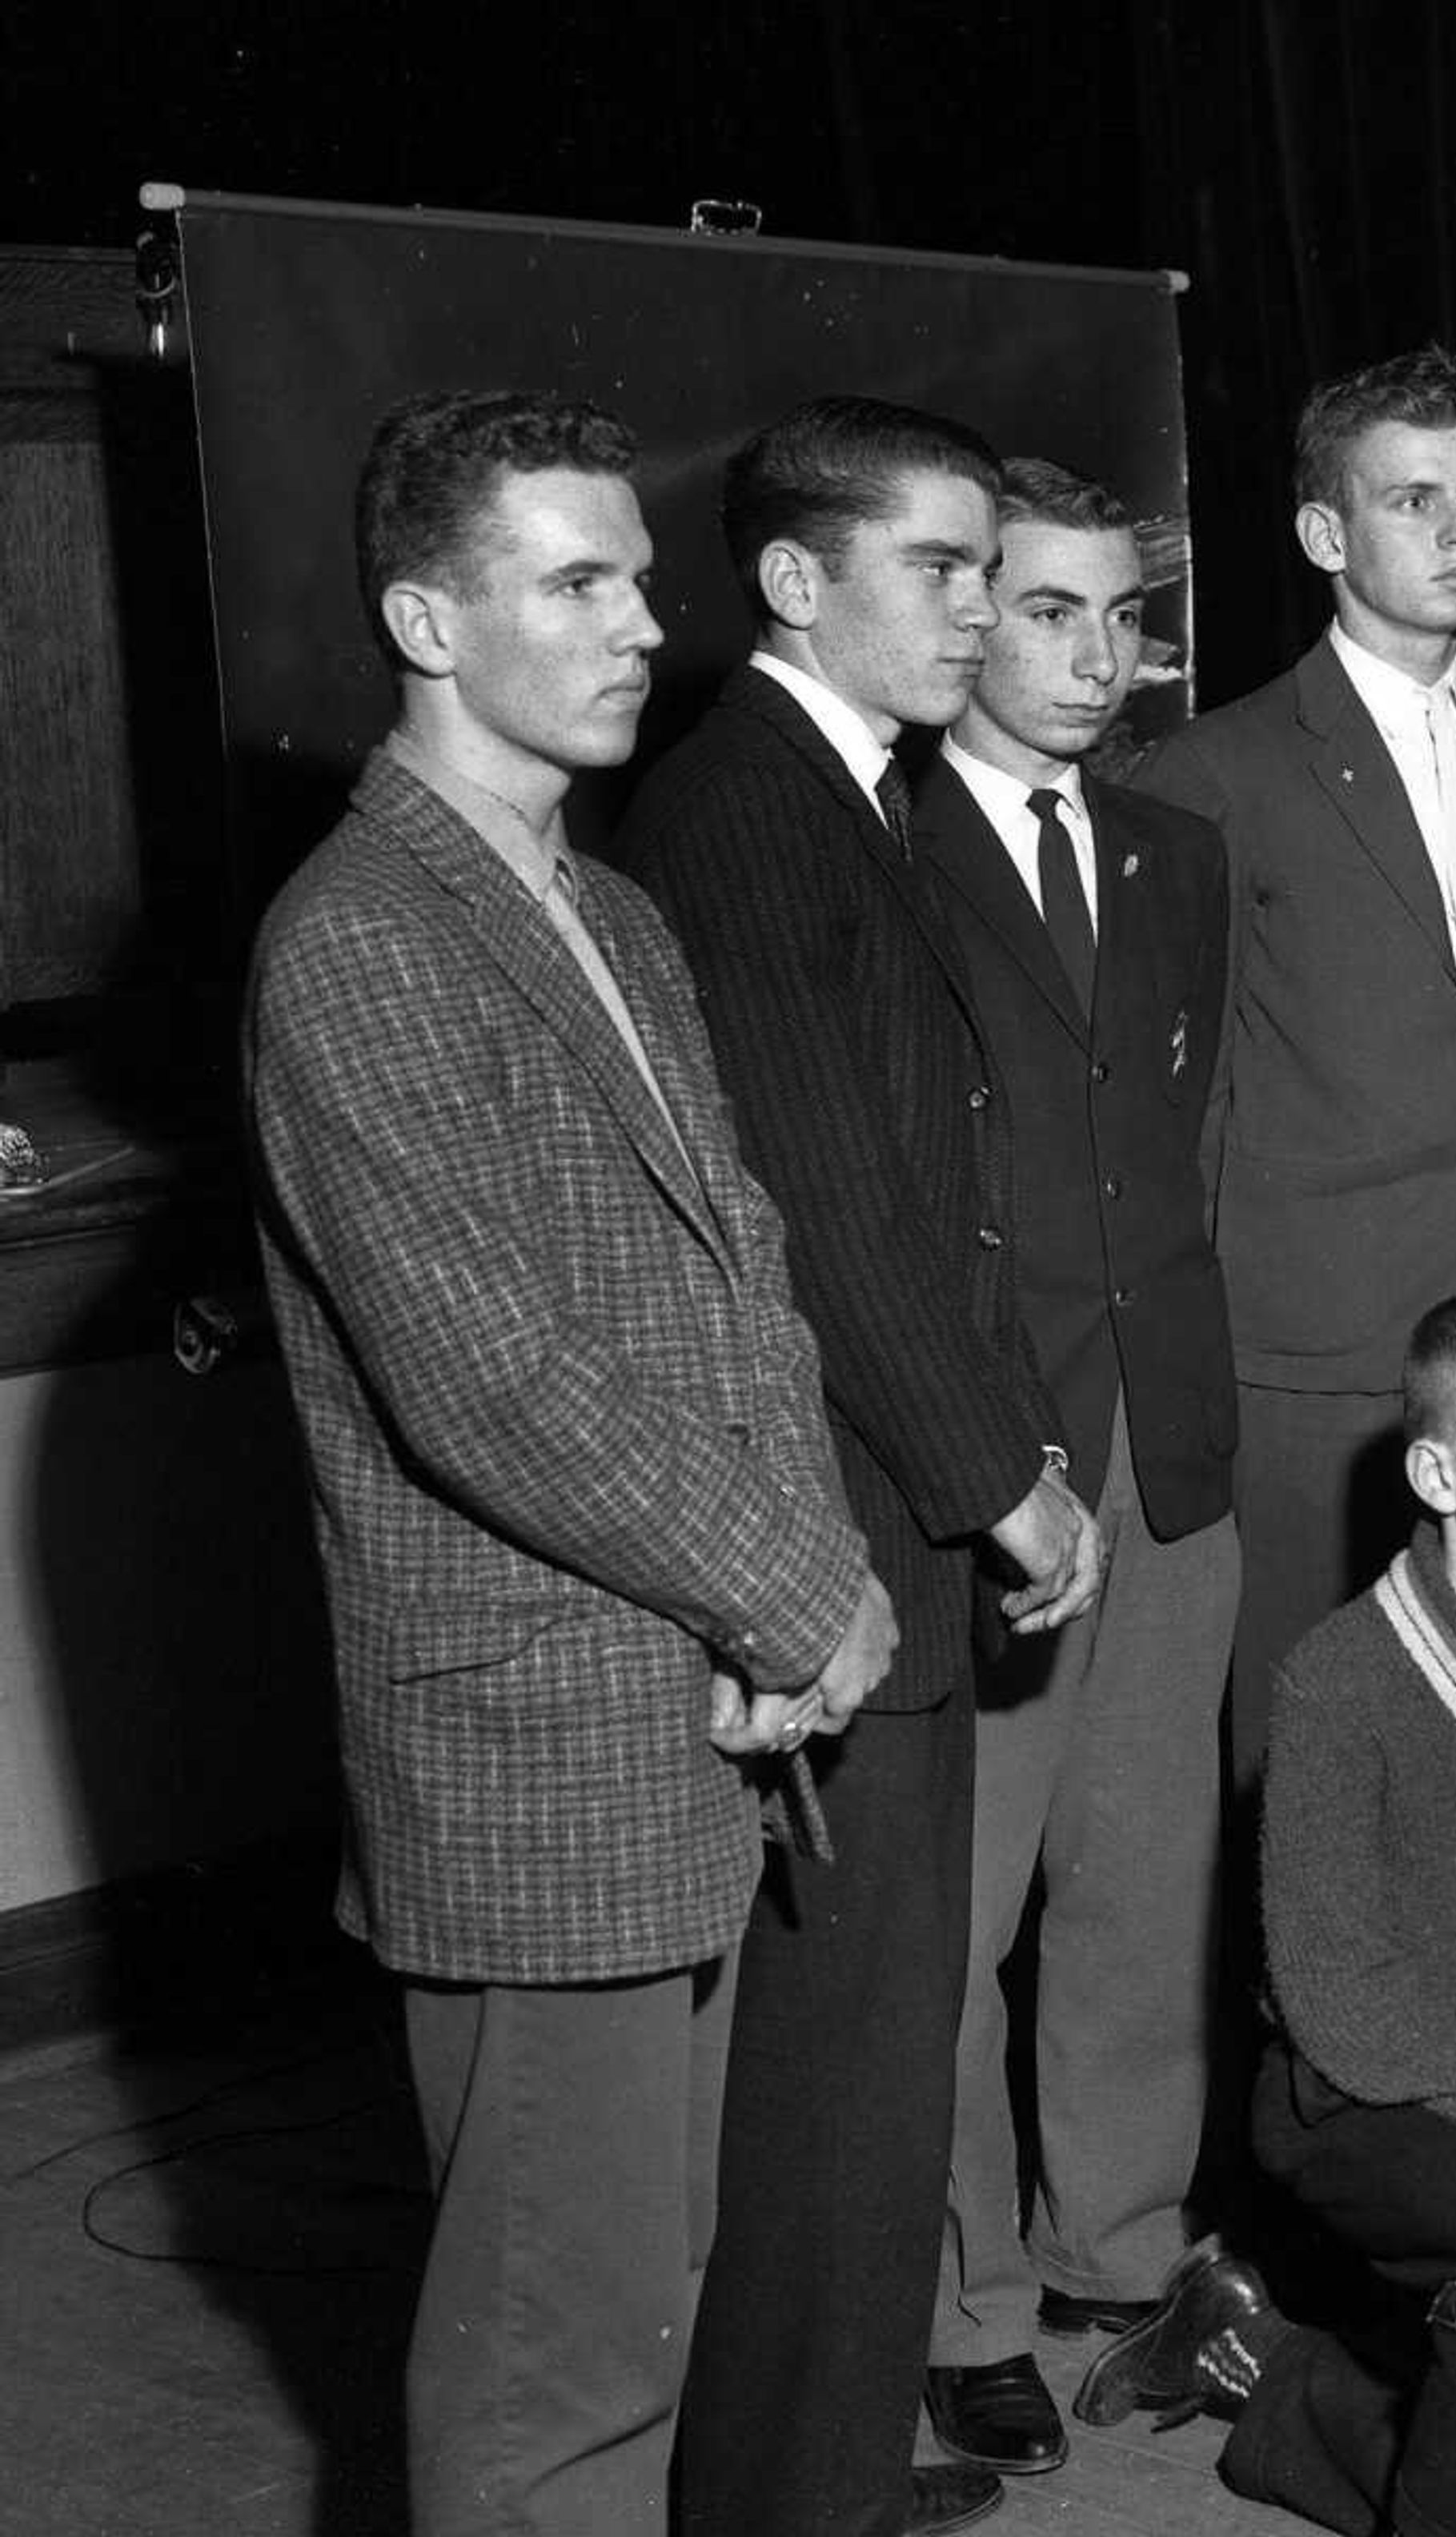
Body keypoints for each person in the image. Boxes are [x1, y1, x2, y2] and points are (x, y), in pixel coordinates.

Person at [244, 387, 896, 2535]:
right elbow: (490, 1384)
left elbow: (748, 1281)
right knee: (552, 2391)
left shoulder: (602, 915)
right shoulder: (359, 938)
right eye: (577, 582)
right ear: (427, 618)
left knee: (644, 2316)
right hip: (537, 1744)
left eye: (640, 575)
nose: (642, 624)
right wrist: (791, 1594)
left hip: (695, 1708)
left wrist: (808, 1580)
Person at [620, 397, 1105, 2537]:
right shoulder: (747, 808)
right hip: (839, 1524)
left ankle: (809, 2474)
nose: (981, 610)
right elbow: (826, 1191)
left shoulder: (857, 793)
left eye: (988, 568)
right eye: (940, 565)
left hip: (881, 1513)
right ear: (796, 579)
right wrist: (999, 1474)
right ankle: (784, 2501)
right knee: (840, 2071)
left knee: (872, 2057)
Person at [1068, 1291, 1456, 2537]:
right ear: (1436, 1472)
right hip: (1358, 2097)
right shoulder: (1342, 1678)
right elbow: (1337, 1991)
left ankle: (1280, 2383)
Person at [908, 460, 1241, 2475]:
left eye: (1121, 617)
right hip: (990, 1449)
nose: (1094, 656)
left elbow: (1172, 1153)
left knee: (1143, 1878)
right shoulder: (874, 844)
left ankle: (1116, 2243)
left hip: (1165, 1429)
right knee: (960, 1908)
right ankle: (964, 2302)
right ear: (961, 615)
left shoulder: (1171, 849)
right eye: (1047, 611)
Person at [1133, 345, 1456, 1788]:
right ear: (1326, 535)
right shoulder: (1216, 769)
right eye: (1413, 500)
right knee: (1313, 1742)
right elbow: (1177, 1108)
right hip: (1316, 1345)